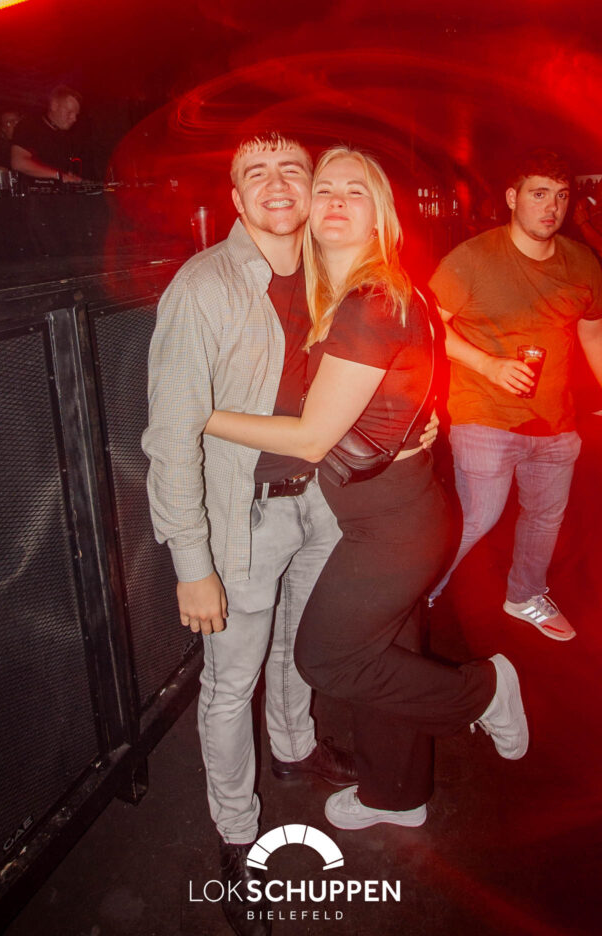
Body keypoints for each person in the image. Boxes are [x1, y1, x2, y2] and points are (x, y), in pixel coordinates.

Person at [204, 146, 528, 836]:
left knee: (326, 658)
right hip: (395, 507)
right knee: (388, 655)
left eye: (355, 190)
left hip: (391, 524)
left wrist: (200, 414)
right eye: (325, 188)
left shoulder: (370, 301)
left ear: (380, 214)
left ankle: (484, 691)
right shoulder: (358, 294)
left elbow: (311, 437)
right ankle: (396, 793)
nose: (335, 200)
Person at [143, 133, 358, 936]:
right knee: (230, 684)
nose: (276, 183)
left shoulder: (335, 273)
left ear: (311, 188)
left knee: (297, 645)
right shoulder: (203, 286)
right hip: (244, 517)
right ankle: (237, 835)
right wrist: (190, 561)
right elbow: (170, 435)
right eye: (255, 173)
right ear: (235, 199)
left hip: (320, 504)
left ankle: (294, 748)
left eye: (291, 169)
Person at [428, 149, 602, 639]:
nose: (551, 207)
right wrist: (488, 365)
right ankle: (417, 595)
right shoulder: (473, 258)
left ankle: (524, 595)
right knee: (478, 517)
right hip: (483, 411)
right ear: (513, 198)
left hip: (555, 419)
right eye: (539, 194)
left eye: (561, 196)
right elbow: (429, 327)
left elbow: (595, 332)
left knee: (544, 518)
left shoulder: (580, 261)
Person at [11, 85, 84, 182]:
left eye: (76, 114)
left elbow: (61, 171)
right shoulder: (30, 126)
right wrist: (59, 175)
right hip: (33, 190)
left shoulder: (66, 137)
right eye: (69, 112)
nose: (74, 119)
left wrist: (71, 177)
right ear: (54, 106)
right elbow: (19, 163)